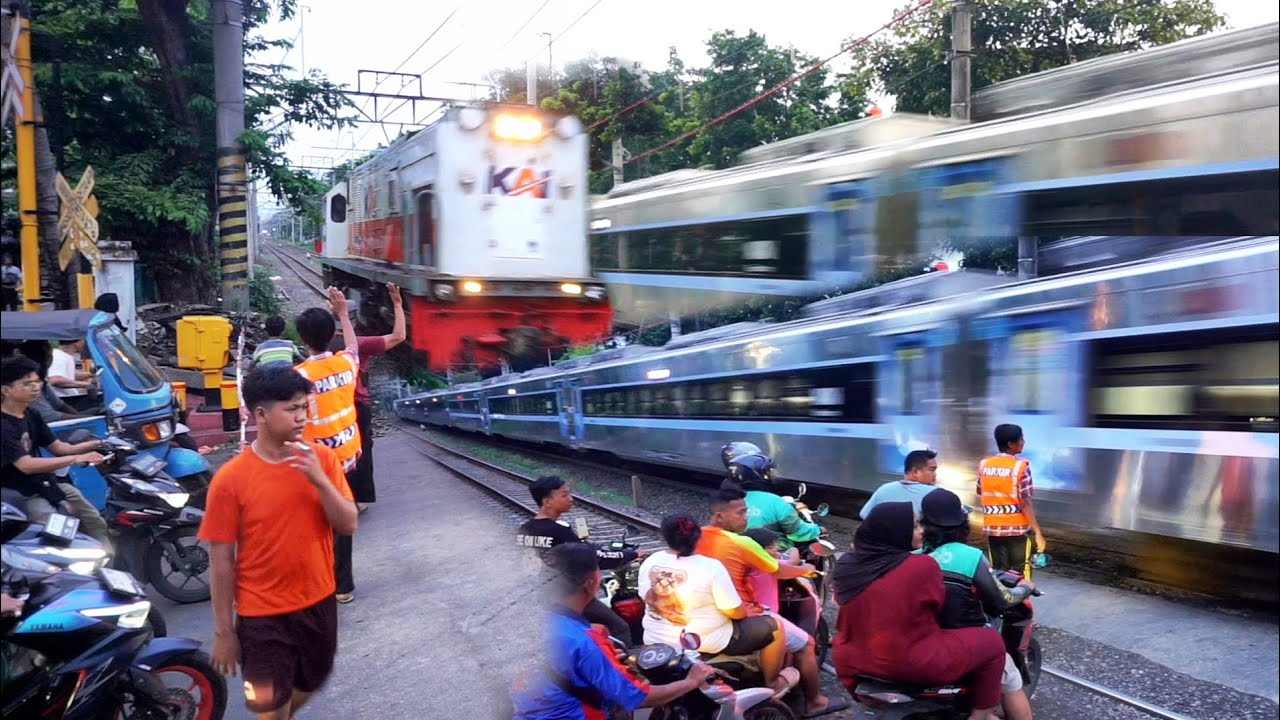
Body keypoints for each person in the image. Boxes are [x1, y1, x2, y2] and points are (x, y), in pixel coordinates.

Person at [198, 364, 357, 720]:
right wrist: (224, 631)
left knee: (312, 681)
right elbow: (220, 559)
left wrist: (319, 480)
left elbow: (348, 524)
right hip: (261, 616)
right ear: (261, 415)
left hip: (318, 602)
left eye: (304, 407)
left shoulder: (323, 460)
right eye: (291, 409)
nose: (302, 417)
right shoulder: (230, 480)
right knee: (267, 704)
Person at [830, 502, 1006, 720]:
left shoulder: (846, 564)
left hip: (850, 658)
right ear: (897, 532)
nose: (922, 531)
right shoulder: (922, 565)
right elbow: (937, 605)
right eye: (914, 526)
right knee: (993, 642)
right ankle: (980, 716)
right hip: (907, 660)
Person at [511, 542, 717, 720]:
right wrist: (692, 681)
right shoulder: (587, 641)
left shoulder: (528, 622)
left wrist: (598, 662)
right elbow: (640, 697)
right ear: (591, 583)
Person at [696, 486, 838, 716]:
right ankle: (815, 702)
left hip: (704, 611)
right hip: (744, 613)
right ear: (720, 516)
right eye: (741, 513)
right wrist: (806, 569)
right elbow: (778, 569)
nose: (746, 517)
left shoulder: (697, 536)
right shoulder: (741, 542)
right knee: (806, 644)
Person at [637, 512, 798, 697]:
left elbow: (644, 597)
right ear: (698, 536)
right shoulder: (711, 566)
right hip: (705, 641)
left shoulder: (651, 560)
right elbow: (733, 611)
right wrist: (745, 611)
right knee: (775, 627)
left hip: (655, 637)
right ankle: (773, 683)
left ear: (665, 536)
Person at [921, 488, 1036, 720]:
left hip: (924, 642)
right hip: (966, 642)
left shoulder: (915, 556)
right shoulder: (970, 556)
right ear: (961, 525)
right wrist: (1025, 588)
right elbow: (1003, 599)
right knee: (1011, 679)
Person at [517, 475, 649, 645]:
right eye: (564, 495)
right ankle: (619, 660)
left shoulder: (525, 528)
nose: (570, 499)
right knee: (619, 627)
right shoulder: (558, 531)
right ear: (547, 501)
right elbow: (593, 558)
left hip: (541, 593)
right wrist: (632, 555)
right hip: (567, 596)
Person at [1, 356, 112, 553]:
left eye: (37, 382)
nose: (35, 387)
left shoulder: (31, 414)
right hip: (16, 493)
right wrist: (75, 459)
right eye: (27, 383)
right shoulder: (4, 425)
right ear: (5, 389)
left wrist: (98, 443)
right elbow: (25, 465)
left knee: (94, 521)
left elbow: (59, 447)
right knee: (54, 533)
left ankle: (106, 563)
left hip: (41, 484)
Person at [294, 288, 362, 604]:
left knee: (316, 521)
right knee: (342, 519)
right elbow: (353, 346)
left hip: (317, 461)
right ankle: (343, 586)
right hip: (347, 454)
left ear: (302, 339)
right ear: (332, 334)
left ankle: (319, 579)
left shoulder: (298, 376)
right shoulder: (346, 364)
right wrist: (344, 314)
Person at [332, 282, 405, 513]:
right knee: (362, 449)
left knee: (336, 450)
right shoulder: (361, 345)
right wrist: (397, 304)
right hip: (357, 404)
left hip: (332, 406)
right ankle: (361, 499)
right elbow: (399, 336)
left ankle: (339, 496)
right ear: (355, 321)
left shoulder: (323, 345)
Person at [978, 424, 1045, 576]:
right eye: (1021, 439)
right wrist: (1038, 533)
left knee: (999, 574)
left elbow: (981, 491)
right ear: (1010, 444)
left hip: (993, 530)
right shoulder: (1020, 467)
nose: (1023, 442)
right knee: (1020, 575)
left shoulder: (984, 465)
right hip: (1017, 531)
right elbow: (1025, 503)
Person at [725, 452, 821, 551]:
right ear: (758, 475)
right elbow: (797, 533)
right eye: (768, 472)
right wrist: (819, 530)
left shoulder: (724, 502)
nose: (772, 475)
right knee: (795, 552)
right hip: (768, 554)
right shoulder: (776, 502)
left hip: (731, 551)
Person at [860, 449, 940, 519]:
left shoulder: (884, 488)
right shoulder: (934, 493)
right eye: (932, 470)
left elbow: (864, 515)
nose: (935, 474)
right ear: (915, 472)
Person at [47, 338, 96, 412]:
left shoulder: (64, 356)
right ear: (77, 342)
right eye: (83, 340)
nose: (85, 343)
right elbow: (55, 380)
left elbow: (70, 375)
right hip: (64, 401)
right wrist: (86, 385)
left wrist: (93, 373)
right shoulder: (59, 357)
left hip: (69, 399)